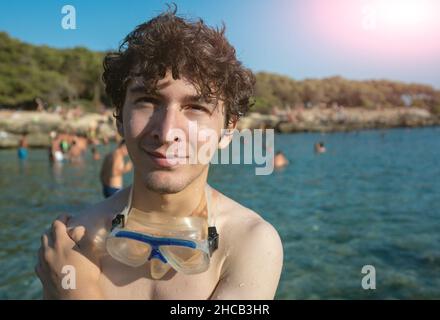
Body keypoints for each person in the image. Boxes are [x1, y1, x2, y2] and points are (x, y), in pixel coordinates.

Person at [35, 8, 283, 300]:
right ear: (119, 117)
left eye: (195, 107)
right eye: (148, 101)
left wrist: (77, 295)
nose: (166, 133)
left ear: (228, 130)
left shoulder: (249, 243)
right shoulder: (75, 237)